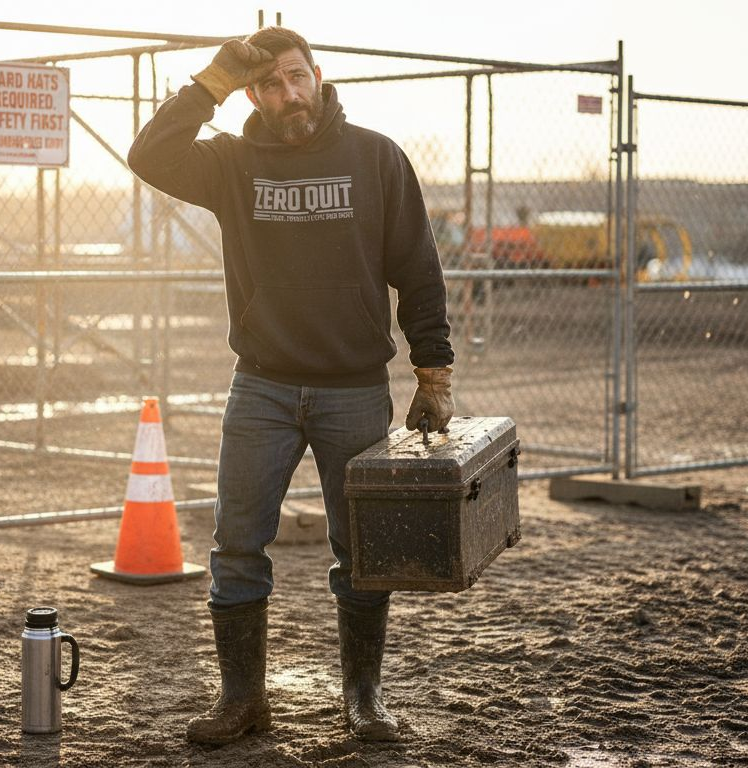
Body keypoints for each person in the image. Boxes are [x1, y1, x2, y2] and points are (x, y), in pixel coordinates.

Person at [127, 27, 455, 744]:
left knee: (361, 550)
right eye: (270, 84)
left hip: (354, 390)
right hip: (263, 387)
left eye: (297, 76)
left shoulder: (375, 158)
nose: (289, 93)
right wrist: (209, 82)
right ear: (252, 93)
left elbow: (418, 272)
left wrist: (433, 374)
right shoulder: (232, 163)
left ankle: (363, 699)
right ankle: (243, 701)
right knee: (237, 546)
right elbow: (149, 155)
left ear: (318, 75)